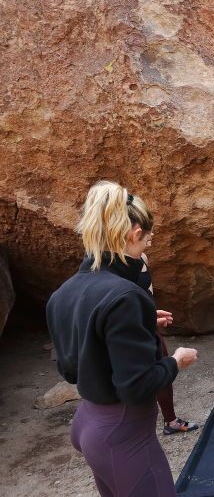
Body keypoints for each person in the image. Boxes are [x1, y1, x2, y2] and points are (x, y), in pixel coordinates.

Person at [46, 180, 198, 497]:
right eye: (147, 235)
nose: (151, 242)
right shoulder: (125, 297)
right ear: (133, 233)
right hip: (123, 433)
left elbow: (71, 368)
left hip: (89, 423)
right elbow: (136, 386)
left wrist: (136, 323)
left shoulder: (63, 293)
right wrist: (174, 361)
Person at [137, 250, 199, 435]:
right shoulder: (112, 264)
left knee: (161, 365)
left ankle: (170, 421)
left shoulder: (141, 256)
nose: (152, 234)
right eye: (146, 229)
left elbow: (147, 293)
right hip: (131, 325)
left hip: (144, 321)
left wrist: (149, 317)